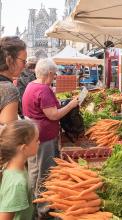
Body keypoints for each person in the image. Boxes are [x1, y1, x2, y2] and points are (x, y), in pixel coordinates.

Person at [22, 58, 79, 219]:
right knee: (46, 172)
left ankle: (33, 203)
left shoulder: (31, 85)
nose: (54, 77)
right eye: (54, 74)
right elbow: (53, 115)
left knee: (34, 170)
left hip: (33, 136)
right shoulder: (43, 89)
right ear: (48, 73)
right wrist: (71, 105)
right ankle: (44, 209)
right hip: (45, 138)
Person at [0, 119, 39, 220]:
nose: (39, 142)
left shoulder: (14, 165)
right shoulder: (17, 183)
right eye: (36, 140)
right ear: (24, 148)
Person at [0, 36, 27, 124]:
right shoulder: (8, 89)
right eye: (23, 61)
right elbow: (10, 134)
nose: (25, 66)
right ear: (9, 60)